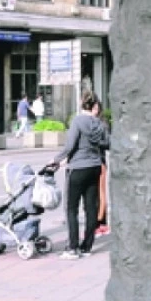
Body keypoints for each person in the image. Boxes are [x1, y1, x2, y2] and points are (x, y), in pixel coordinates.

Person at [51, 91, 109, 260]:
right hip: (95, 167)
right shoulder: (100, 124)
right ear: (95, 106)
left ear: (81, 104)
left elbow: (70, 146)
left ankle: (73, 247)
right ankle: (87, 247)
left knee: (71, 208)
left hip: (77, 168)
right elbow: (107, 143)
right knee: (91, 208)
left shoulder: (77, 121)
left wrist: (56, 159)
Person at [94, 100, 111, 237]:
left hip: (100, 161)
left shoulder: (102, 124)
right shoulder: (87, 123)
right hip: (90, 162)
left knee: (100, 193)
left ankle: (101, 223)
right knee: (92, 194)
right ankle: (97, 222)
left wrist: (95, 142)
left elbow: (108, 143)